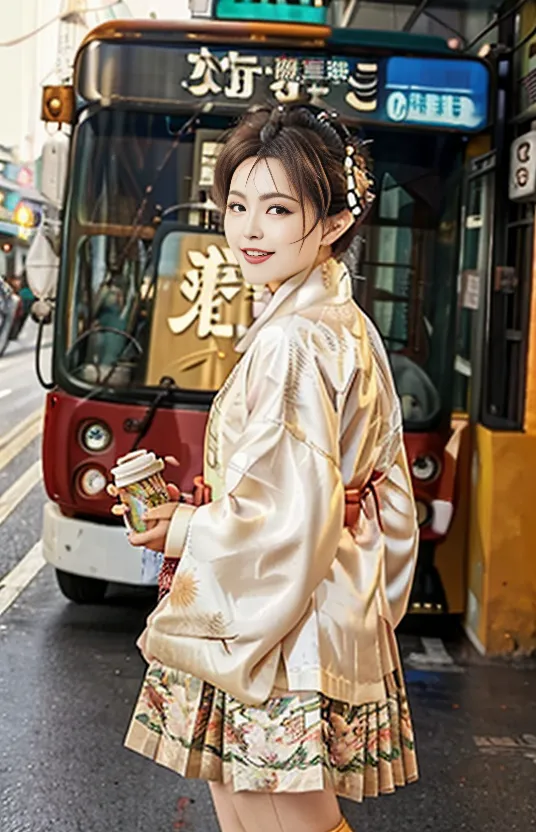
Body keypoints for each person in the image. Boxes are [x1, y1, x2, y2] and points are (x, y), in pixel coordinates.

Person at [115, 104, 419, 832]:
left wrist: (189, 524)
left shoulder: (294, 341)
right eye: (238, 205)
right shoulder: (340, 321)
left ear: (335, 223)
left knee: (279, 820)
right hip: (309, 600)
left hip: (280, 621)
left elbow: (292, 513)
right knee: (256, 811)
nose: (249, 229)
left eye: (278, 209)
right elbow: (382, 493)